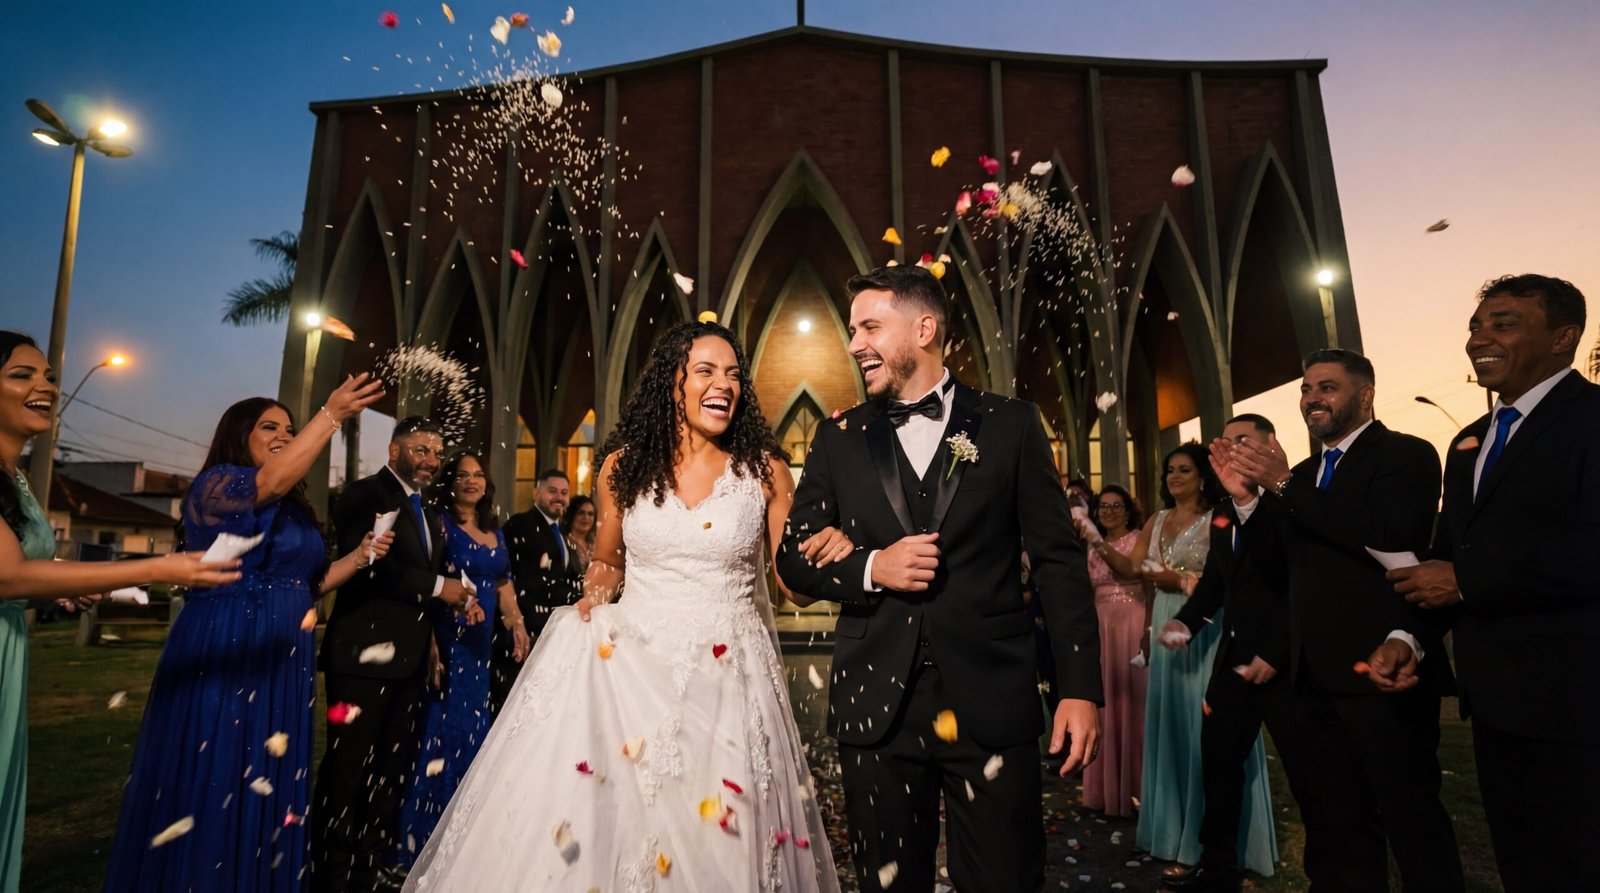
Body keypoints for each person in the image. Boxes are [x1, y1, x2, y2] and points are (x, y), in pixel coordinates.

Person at [400, 319, 839, 891]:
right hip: (637, 664)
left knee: (721, 824)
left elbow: (793, 585)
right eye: (705, 370)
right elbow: (608, 559)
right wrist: (594, 595)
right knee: (628, 814)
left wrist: (823, 559)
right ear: (672, 383)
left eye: (733, 374)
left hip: (731, 675)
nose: (723, 384)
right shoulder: (621, 468)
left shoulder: (764, 470)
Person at [776, 265, 1102, 893]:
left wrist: (1078, 688)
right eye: (851, 330)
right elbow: (792, 558)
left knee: (1006, 879)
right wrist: (873, 566)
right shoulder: (838, 438)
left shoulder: (1012, 424)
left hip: (992, 698)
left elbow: (1059, 564)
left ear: (923, 328)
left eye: (870, 326)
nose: (853, 345)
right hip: (877, 709)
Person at [102, 380, 391, 891]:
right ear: (240, 435)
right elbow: (269, 484)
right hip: (227, 642)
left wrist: (360, 554)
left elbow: (309, 583)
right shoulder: (217, 485)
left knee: (267, 775)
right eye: (269, 427)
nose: (283, 434)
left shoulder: (293, 507)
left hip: (284, 655)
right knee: (218, 769)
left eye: (289, 428)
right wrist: (331, 414)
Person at [0, 331, 243, 893]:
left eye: (49, 377)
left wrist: (53, 589)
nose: (45, 386)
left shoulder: (17, 480)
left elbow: (21, 575)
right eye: (22, 375)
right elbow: (7, 573)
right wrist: (154, 568)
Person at [1390, 275, 1600, 891]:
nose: (1479, 339)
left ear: (1563, 338)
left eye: (1502, 323)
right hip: (1495, 704)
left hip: (1577, 701)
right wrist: (1411, 636)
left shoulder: (1592, 421)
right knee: (1523, 863)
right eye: (1476, 327)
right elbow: (1450, 558)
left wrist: (1468, 581)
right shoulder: (1466, 444)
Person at [1228, 348, 1463, 892]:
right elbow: (1272, 567)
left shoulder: (1406, 454)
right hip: (1311, 680)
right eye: (1307, 389)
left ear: (1365, 394)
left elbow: (1388, 535)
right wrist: (1247, 503)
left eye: (1327, 387)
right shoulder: (1305, 475)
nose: (1312, 398)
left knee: (1411, 820)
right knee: (1335, 826)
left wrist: (1283, 486)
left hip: (1382, 668)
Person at [311, 416, 474, 893]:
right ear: (394, 450)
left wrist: (435, 635)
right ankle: (331, 873)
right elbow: (370, 569)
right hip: (361, 660)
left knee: (389, 769)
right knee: (347, 768)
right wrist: (439, 586)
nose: (431, 460)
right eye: (421, 450)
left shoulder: (426, 508)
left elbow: (422, 575)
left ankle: (369, 868)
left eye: (437, 452)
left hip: (408, 661)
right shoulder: (365, 495)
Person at [1158, 415, 1307, 892]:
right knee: (1218, 768)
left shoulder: (1298, 500)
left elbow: (1303, 585)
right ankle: (1218, 870)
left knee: (1310, 776)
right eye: (1228, 441)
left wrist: (1277, 652)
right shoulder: (1223, 514)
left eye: (1245, 440)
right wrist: (1186, 620)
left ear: (1271, 444)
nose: (1233, 449)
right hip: (1232, 665)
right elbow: (1219, 584)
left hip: (1289, 666)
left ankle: (1332, 872)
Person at [1123, 443, 1276, 876]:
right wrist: (1151, 628)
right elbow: (1143, 579)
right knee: (1170, 729)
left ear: (1202, 475)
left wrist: (1177, 580)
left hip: (1210, 629)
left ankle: (1207, 844)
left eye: (1184, 470)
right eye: (1170, 470)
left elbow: (1226, 579)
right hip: (1170, 624)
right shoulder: (1157, 519)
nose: (1174, 477)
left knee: (1208, 735)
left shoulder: (1221, 517)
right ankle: (1168, 833)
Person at [395, 452, 529, 869]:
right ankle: (420, 836)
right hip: (447, 639)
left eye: (478, 474)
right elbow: (426, 580)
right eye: (463, 475)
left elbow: (502, 581)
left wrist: (518, 623)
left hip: (481, 646)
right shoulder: (439, 524)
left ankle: (467, 829)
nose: (472, 481)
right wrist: (432, 640)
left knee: (475, 727)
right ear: (450, 482)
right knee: (441, 728)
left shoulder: (493, 529)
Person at [1074, 484, 1149, 819]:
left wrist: (1096, 541)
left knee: (1135, 703)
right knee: (1106, 703)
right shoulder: (1090, 548)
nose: (1109, 512)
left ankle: (1137, 786)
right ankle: (1106, 790)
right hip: (1102, 626)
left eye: (1116, 506)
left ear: (1128, 510)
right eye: (1103, 507)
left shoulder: (1136, 539)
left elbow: (1130, 571)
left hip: (1131, 620)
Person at [494, 468, 581, 714]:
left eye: (564, 493)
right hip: (526, 628)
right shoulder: (520, 524)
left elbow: (562, 576)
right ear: (536, 493)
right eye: (552, 491)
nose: (559, 497)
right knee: (516, 701)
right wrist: (521, 623)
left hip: (552, 627)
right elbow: (515, 577)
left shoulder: (562, 532)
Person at [562, 494, 597, 572]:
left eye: (590, 514)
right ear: (571, 515)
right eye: (580, 513)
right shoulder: (562, 543)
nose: (586, 518)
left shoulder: (595, 544)